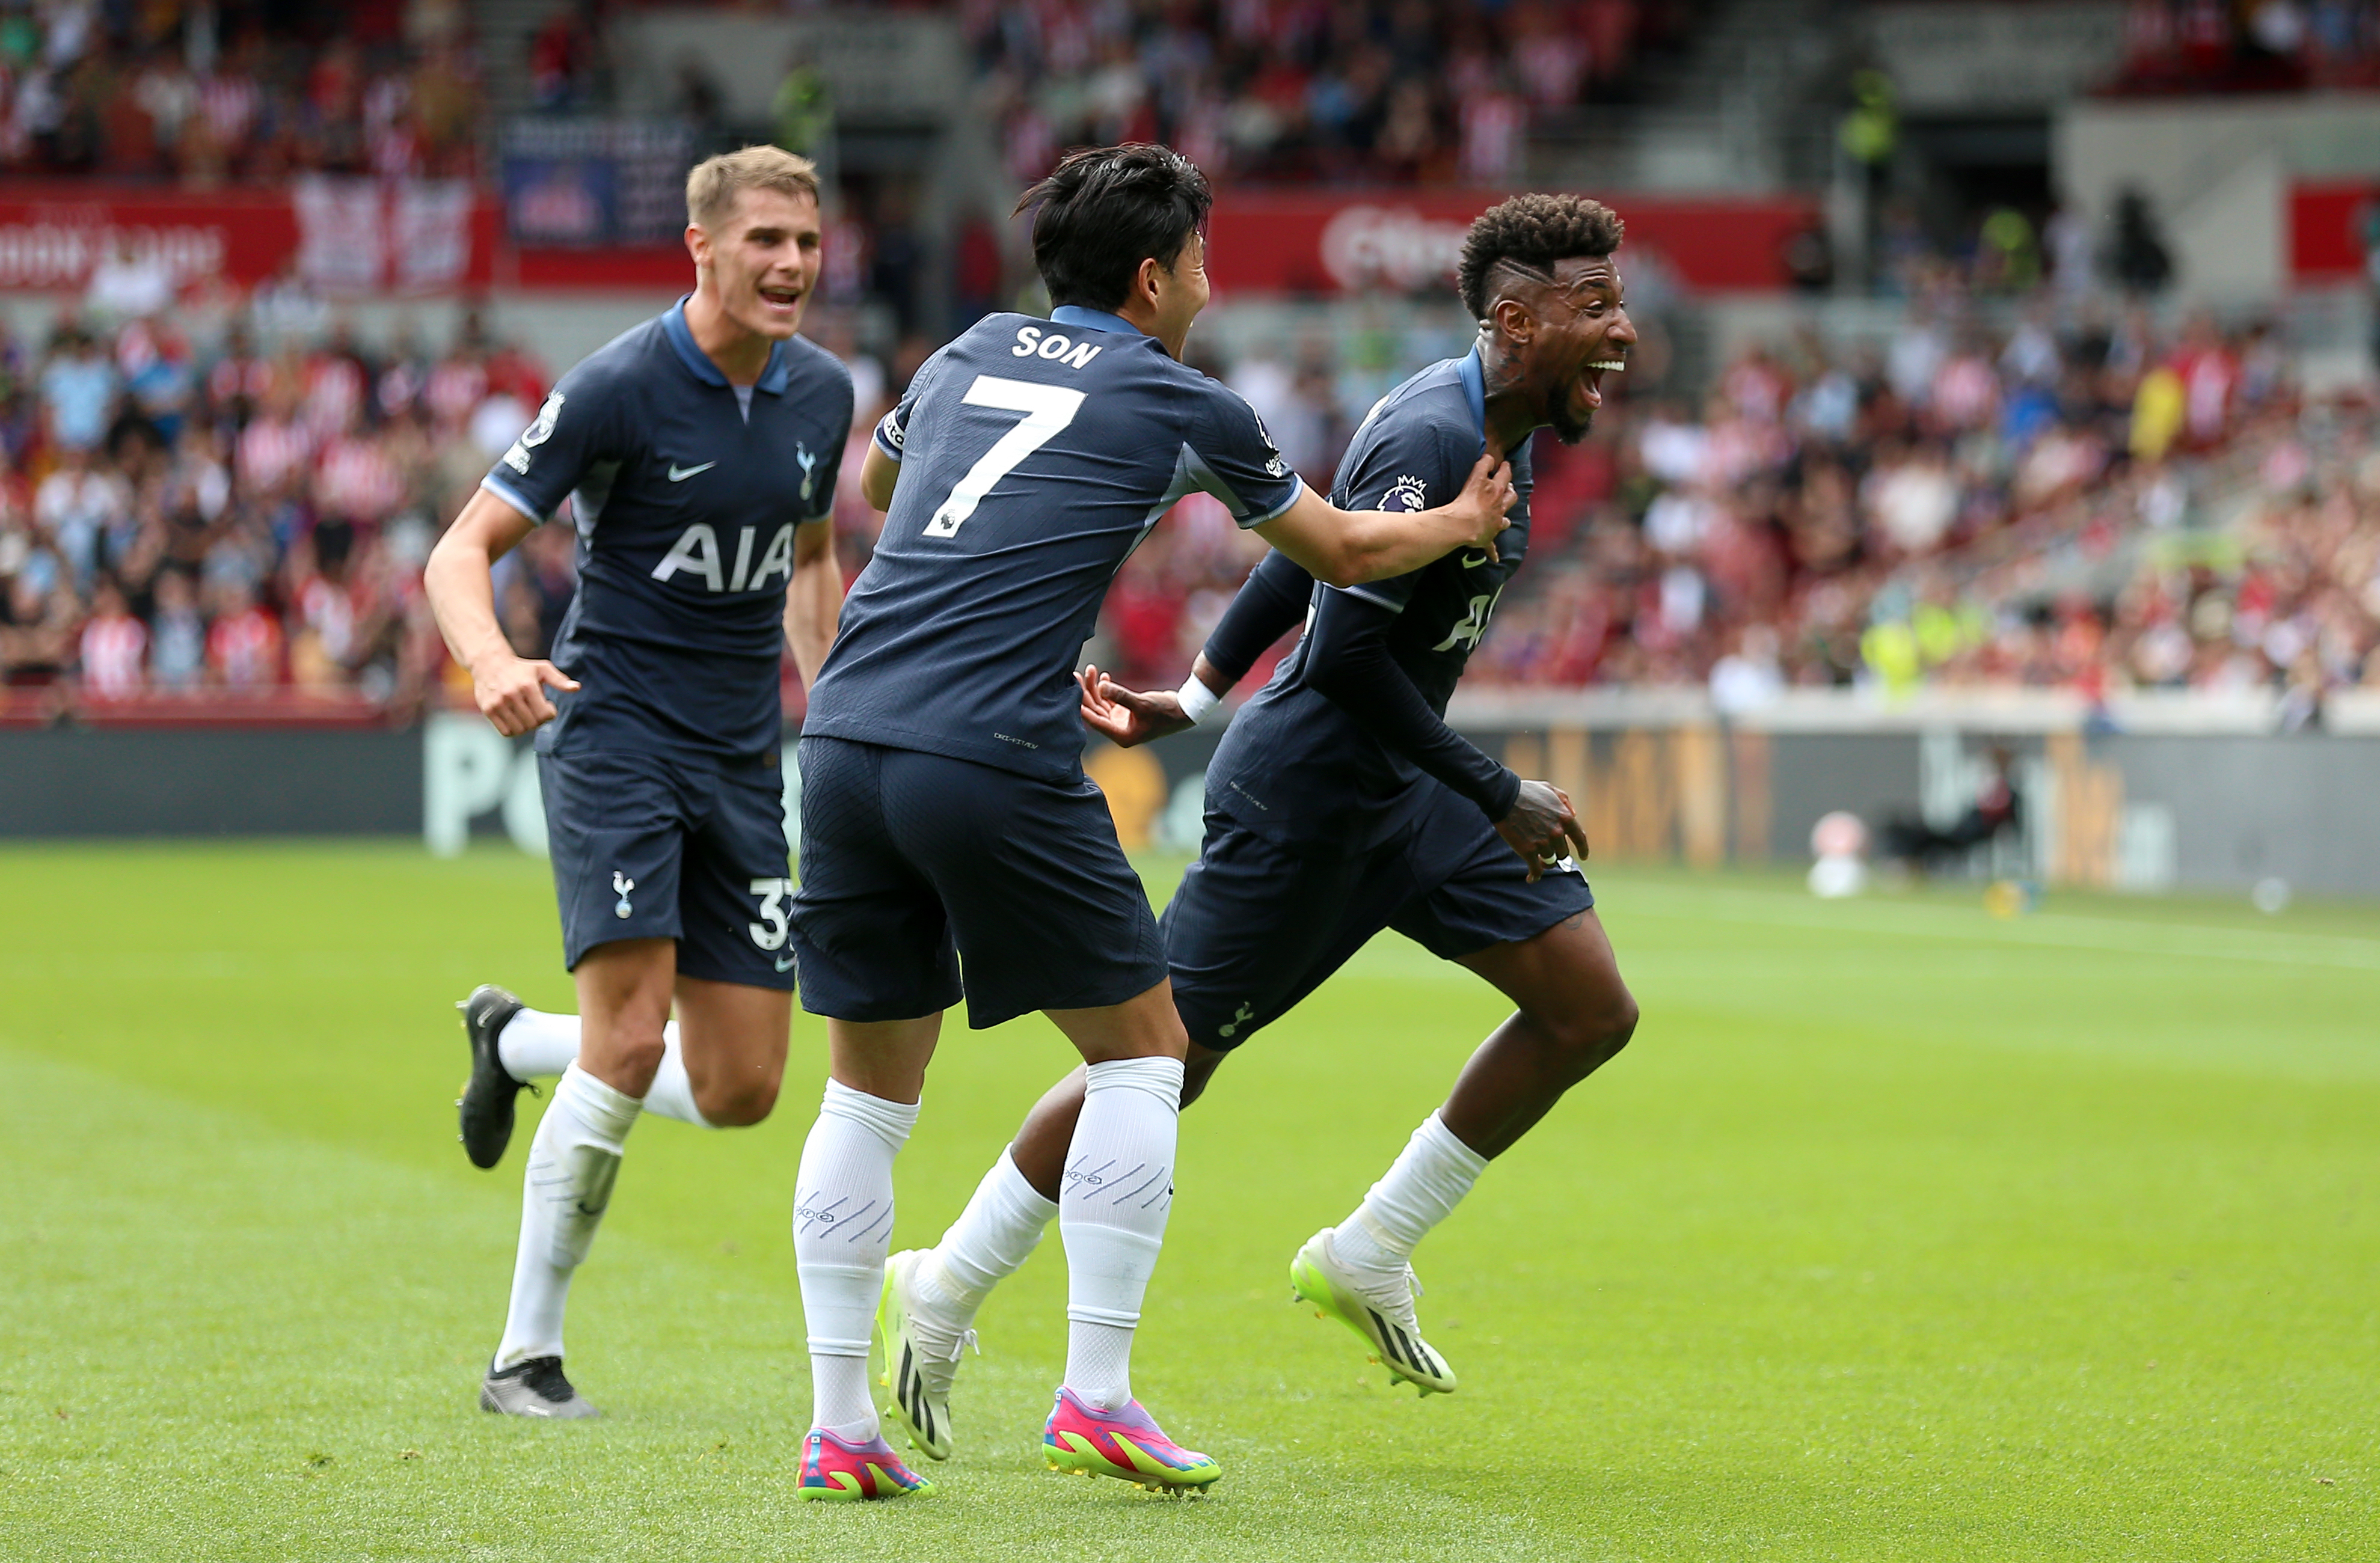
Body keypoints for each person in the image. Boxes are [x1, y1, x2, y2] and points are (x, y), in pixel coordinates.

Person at [780, 142, 1514, 1500]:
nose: (1208, 281)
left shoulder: (958, 353)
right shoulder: (1184, 399)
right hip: (984, 749)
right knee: (1145, 1053)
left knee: (865, 1092)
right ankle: (1096, 1394)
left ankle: (840, 1429)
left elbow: (885, 494)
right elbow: (1346, 553)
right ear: (1149, 276)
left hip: (843, 734)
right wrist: (1461, 515)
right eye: (1197, 260)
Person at [874, 192, 1642, 1458]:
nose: (1620, 330)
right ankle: (944, 1280)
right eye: (1595, 306)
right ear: (1514, 318)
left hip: (1403, 792)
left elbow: (1303, 554)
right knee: (1161, 1062)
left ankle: (1369, 1248)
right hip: (1305, 805)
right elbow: (1341, 652)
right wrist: (1492, 787)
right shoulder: (1434, 431)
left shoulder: (1501, 416)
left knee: (1586, 1006)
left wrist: (1188, 690)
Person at [422, 145, 851, 1422]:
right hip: (616, 738)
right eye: (764, 239)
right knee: (627, 1034)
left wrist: (832, 703)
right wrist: (492, 655)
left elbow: (813, 558)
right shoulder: (616, 385)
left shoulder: (821, 395)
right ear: (702, 248)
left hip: (739, 757)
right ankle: (524, 1358)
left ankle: (512, 1040)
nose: (788, 264)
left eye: (806, 243)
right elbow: (463, 550)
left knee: (742, 1089)